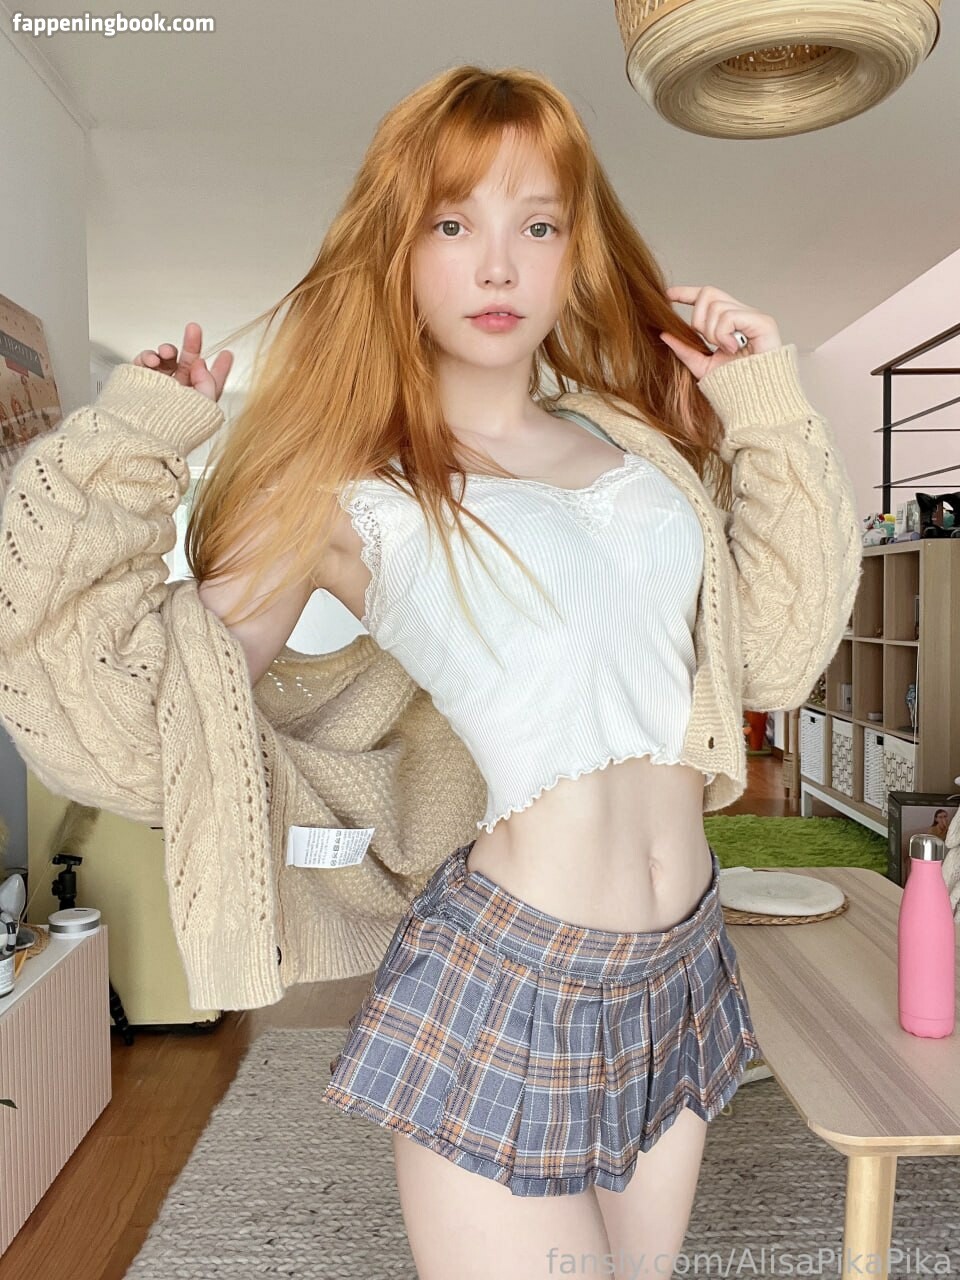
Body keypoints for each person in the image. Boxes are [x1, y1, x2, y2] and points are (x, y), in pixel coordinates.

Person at [125, 65, 859, 1280]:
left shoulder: (637, 446)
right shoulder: (346, 489)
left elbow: (779, 653)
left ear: (576, 253)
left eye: (539, 225)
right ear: (397, 250)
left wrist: (763, 404)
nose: (500, 266)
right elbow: (155, 703)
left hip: (681, 963)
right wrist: (134, 447)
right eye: (454, 224)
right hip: (511, 977)